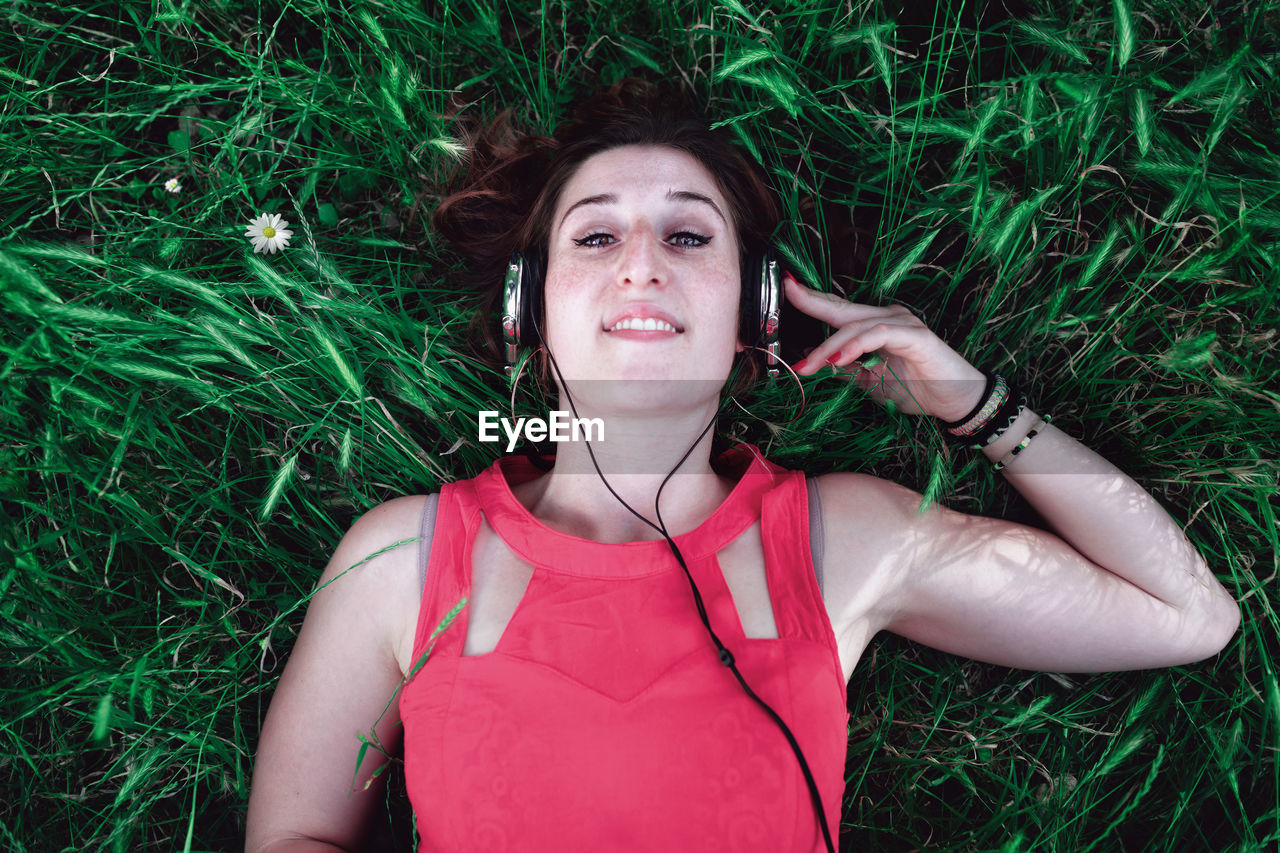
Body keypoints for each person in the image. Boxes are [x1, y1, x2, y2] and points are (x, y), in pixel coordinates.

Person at [244, 79, 1241, 852]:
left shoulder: (840, 539)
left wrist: (972, 405)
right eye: (595, 236)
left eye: (686, 233)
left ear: (754, 311)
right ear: (527, 311)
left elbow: (1183, 615)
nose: (641, 261)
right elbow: (295, 834)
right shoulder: (404, 557)